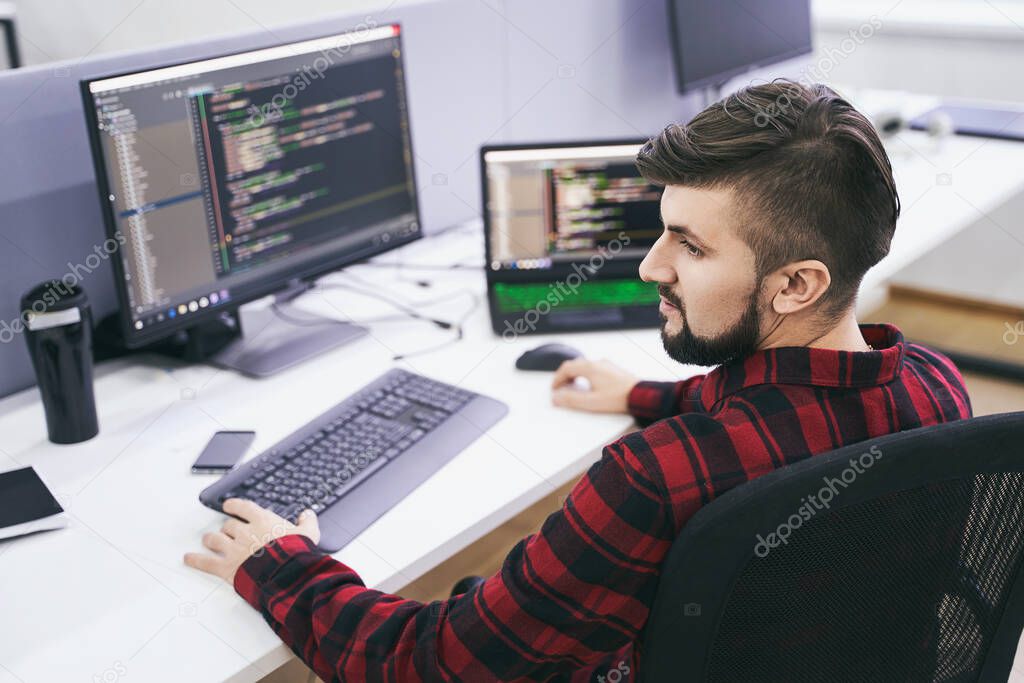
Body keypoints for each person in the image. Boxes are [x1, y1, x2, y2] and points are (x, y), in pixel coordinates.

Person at [184, 79, 972, 682]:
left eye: (690, 248)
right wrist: (643, 394)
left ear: (795, 284)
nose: (649, 266)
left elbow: (432, 665)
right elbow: (793, 410)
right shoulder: (937, 388)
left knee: (460, 607)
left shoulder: (653, 481)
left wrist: (283, 564)